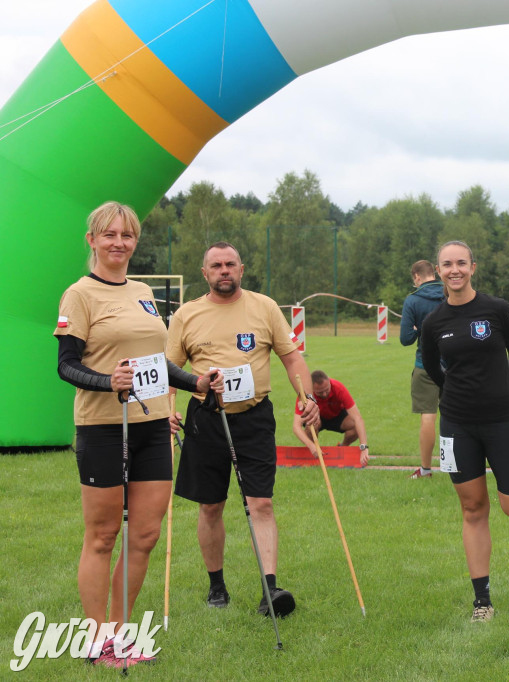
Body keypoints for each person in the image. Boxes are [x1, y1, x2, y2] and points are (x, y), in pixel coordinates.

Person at [54, 201, 221, 667]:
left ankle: (121, 635)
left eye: (127, 235)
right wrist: (107, 381)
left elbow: (156, 363)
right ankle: (96, 639)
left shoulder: (144, 290)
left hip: (152, 426)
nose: (119, 243)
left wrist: (197, 383)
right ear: (92, 240)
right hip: (103, 428)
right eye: (109, 235)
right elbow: (66, 365)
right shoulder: (79, 295)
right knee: (103, 535)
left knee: (145, 534)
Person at [167, 241, 319, 618]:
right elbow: (170, 369)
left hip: (253, 418)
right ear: (205, 273)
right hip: (206, 419)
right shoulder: (186, 315)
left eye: (230, 264)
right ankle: (216, 585)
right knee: (210, 505)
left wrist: (307, 398)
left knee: (261, 502)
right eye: (216, 265)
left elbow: (292, 357)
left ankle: (270, 589)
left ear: (241, 268)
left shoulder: (264, 307)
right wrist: (166, 410)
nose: (224, 270)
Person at [420, 240, 509, 623]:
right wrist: (458, 399)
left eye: (461, 263)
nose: (454, 270)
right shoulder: (433, 322)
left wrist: (503, 393)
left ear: (473, 267)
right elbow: (437, 373)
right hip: (455, 425)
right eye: (446, 264)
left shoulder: (498, 310)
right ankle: (482, 601)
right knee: (473, 508)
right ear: (438, 271)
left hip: (502, 420)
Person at [400, 259, 445, 479]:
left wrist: (419, 329)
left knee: (428, 416)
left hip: (425, 365)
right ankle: (456, 466)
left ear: (417, 276)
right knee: (456, 417)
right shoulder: (450, 293)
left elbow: (406, 338)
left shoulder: (413, 300)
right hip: (455, 365)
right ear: (434, 274)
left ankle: (426, 470)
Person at [291, 369, 369, 466]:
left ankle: (342, 448)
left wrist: (364, 447)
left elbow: (358, 418)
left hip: (337, 416)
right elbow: (296, 427)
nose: (324, 394)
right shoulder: (305, 395)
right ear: (312, 388)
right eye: (319, 392)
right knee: (312, 423)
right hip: (317, 419)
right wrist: (311, 446)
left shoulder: (338, 387)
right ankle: (314, 451)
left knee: (355, 425)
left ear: (329, 382)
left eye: (326, 390)